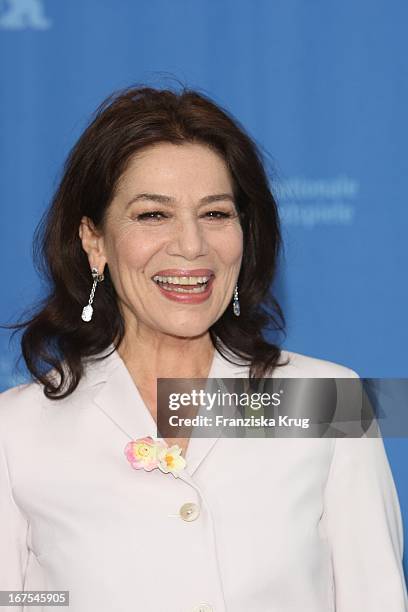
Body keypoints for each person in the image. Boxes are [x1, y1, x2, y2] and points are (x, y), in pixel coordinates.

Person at [0, 84, 407, 612]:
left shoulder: (327, 400)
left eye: (216, 214)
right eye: (153, 215)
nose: (192, 245)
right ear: (93, 241)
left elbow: (374, 599)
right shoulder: (17, 430)